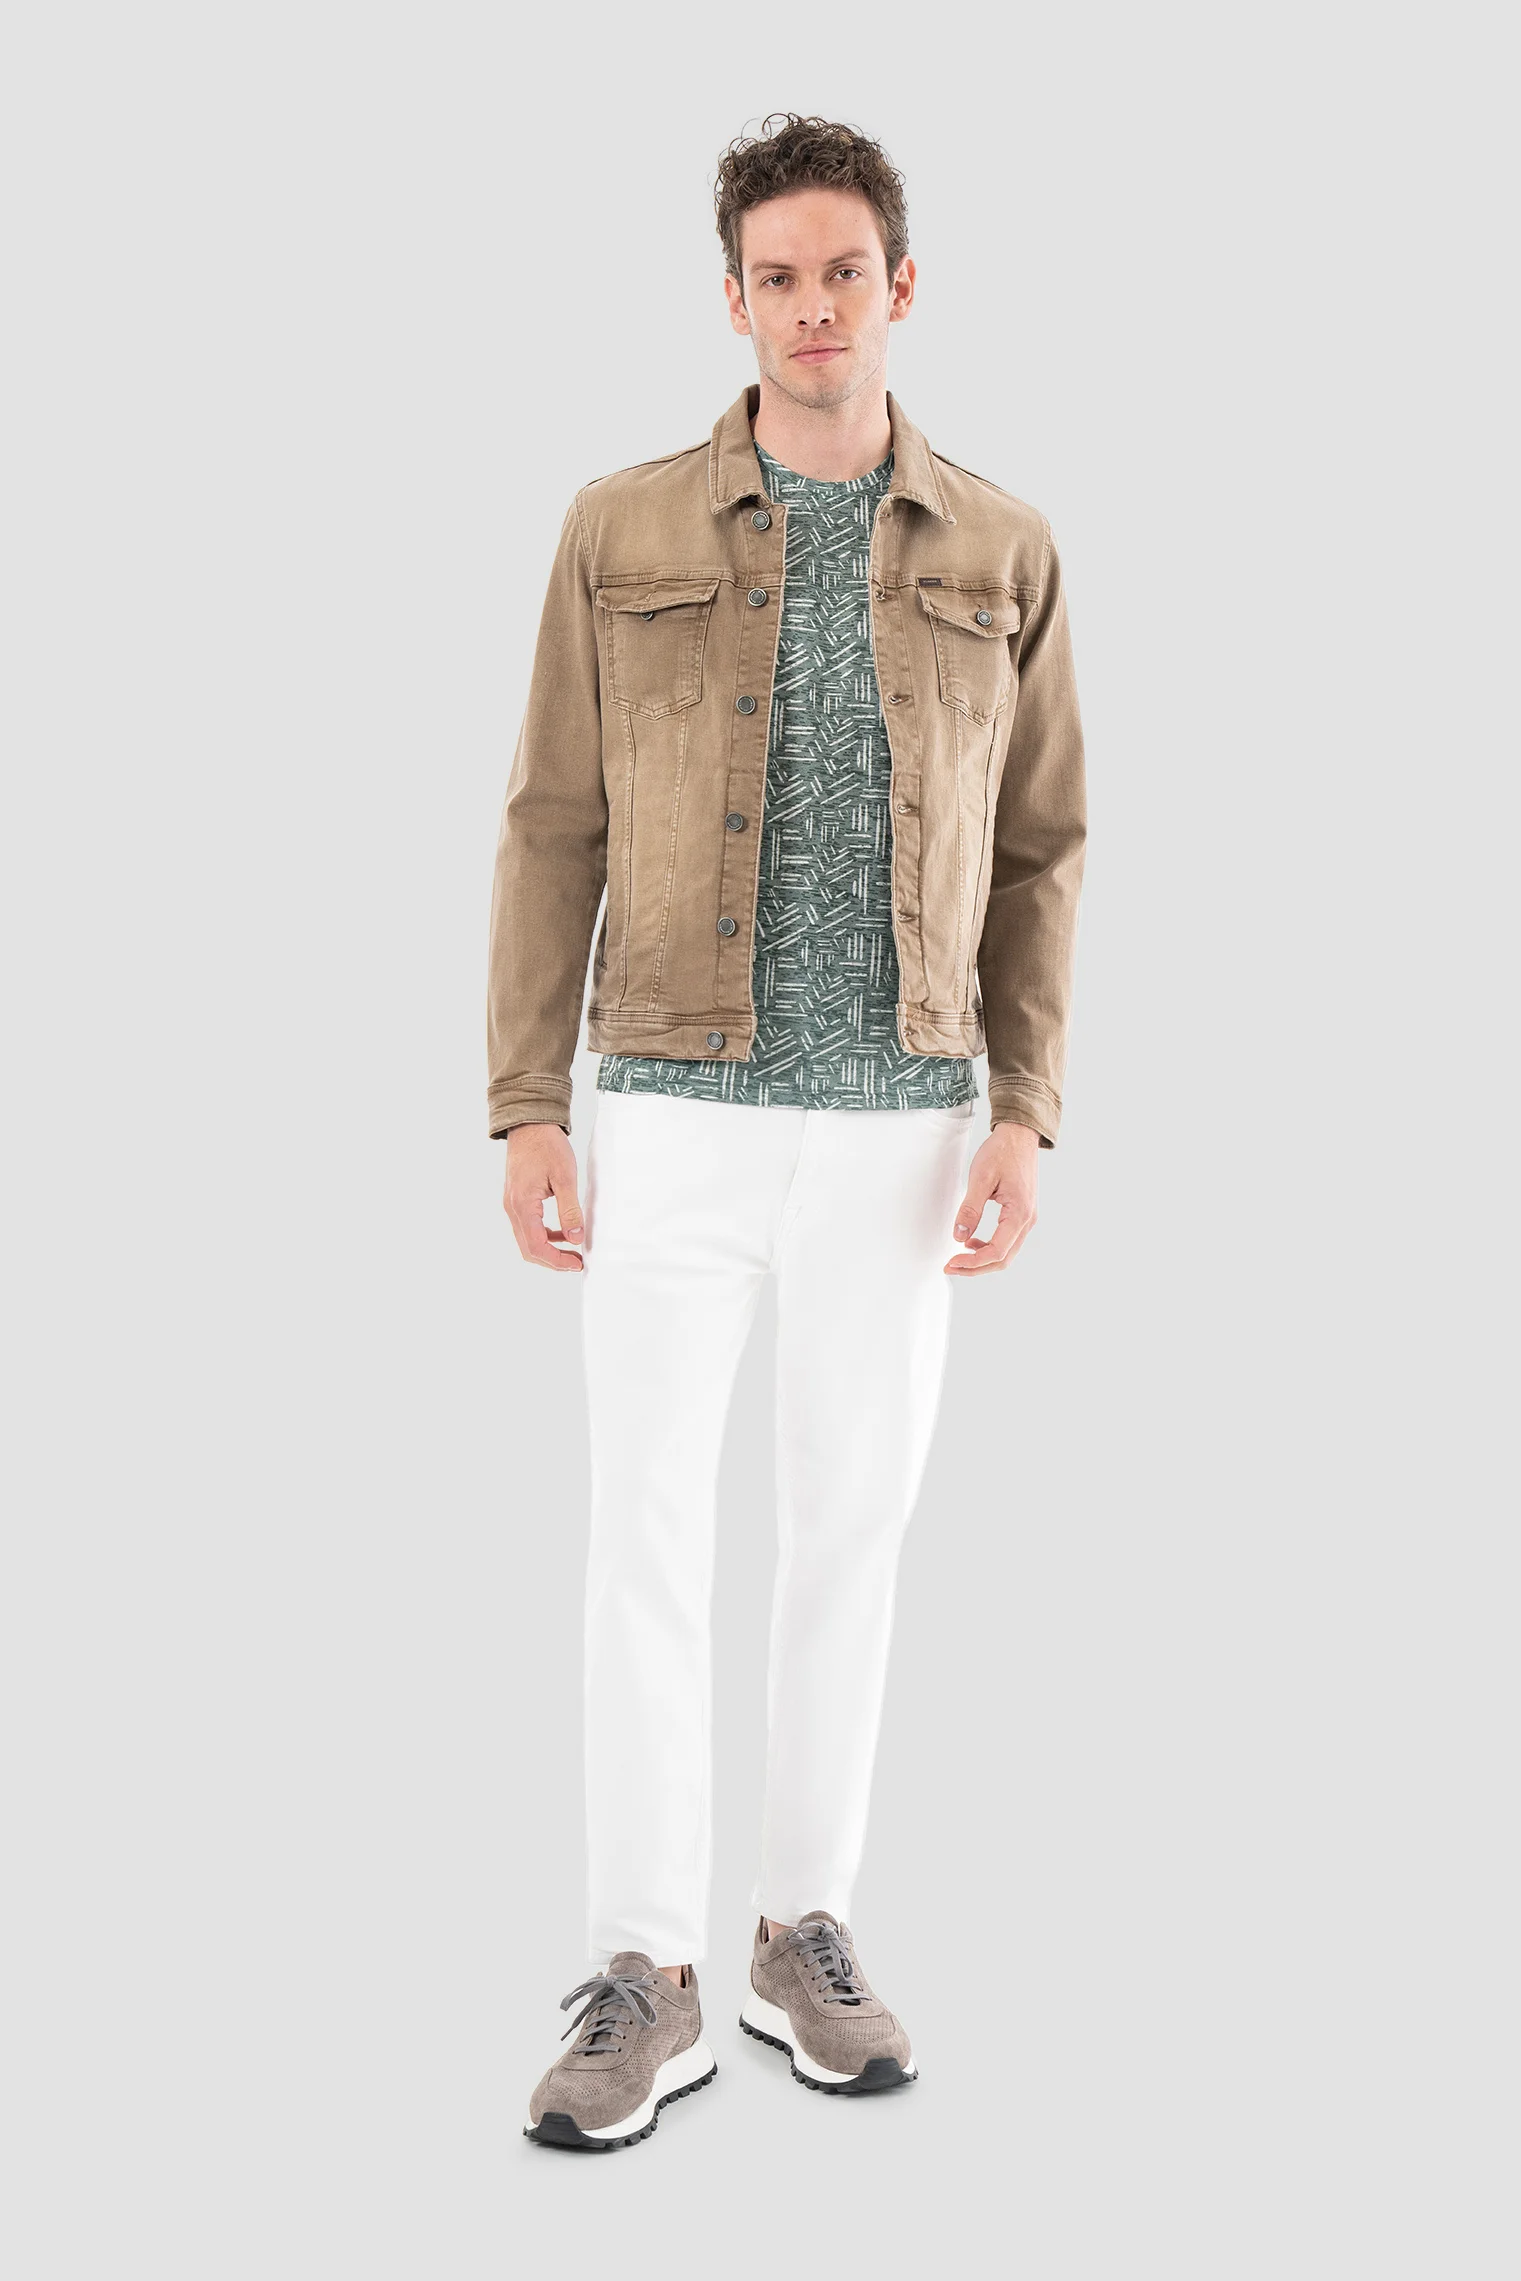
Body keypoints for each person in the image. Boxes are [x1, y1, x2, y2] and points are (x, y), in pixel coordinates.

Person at [487, 112, 1087, 2150]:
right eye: (777, 278)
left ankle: (797, 1930)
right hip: (668, 1105)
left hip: (906, 1125)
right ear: (732, 299)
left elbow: (1043, 848)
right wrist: (526, 1102)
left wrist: (1026, 1108)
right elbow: (549, 822)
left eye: (844, 273)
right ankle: (643, 1970)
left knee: (850, 1533)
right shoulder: (620, 527)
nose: (812, 307)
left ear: (900, 289)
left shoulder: (1002, 547)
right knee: (646, 1534)